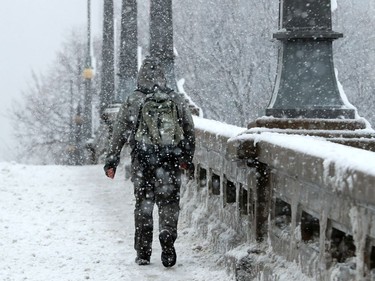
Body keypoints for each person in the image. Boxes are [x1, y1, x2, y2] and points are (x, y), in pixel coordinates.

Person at [103, 57, 195, 267]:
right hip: (170, 159)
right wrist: (186, 157)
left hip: (143, 160)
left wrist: (112, 159)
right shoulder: (175, 99)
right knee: (169, 202)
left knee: (144, 203)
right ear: (163, 75)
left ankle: (143, 251)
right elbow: (189, 129)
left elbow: (119, 132)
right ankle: (167, 233)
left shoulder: (134, 99)